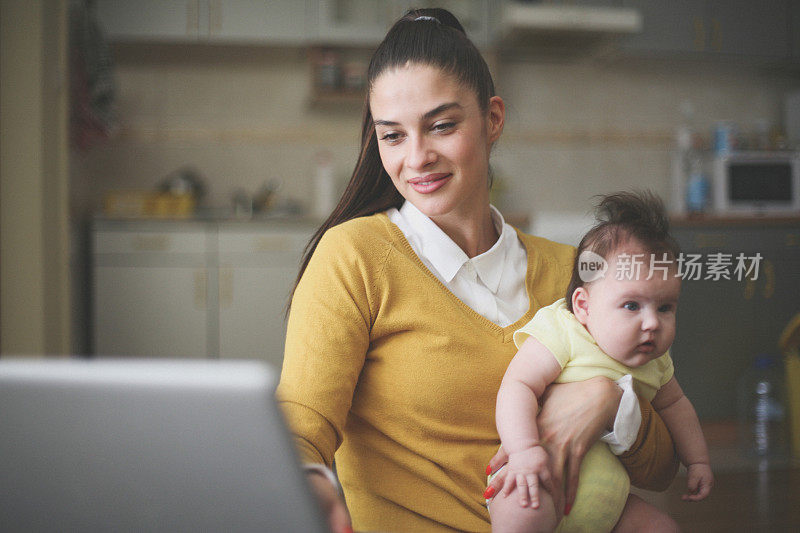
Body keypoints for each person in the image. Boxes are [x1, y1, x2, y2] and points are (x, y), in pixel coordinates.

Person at [276, 8, 679, 533]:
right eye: (393, 136)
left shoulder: (572, 274)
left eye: (441, 126)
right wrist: (306, 484)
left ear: (492, 119)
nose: (417, 157)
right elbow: (301, 423)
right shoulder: (354, 255)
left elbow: (665, 466)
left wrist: (608, 401)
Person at [490, 191, 713, 532]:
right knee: (522, 513)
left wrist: (697, 460)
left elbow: (677, 406)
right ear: (583, 306)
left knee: (662, 527)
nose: (652, 323)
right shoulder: (565, 330)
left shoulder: (656, 361)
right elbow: (517, 385)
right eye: (632, 306)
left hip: (610, 503)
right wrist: (523, 451)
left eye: (665, 308)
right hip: (538, 482)